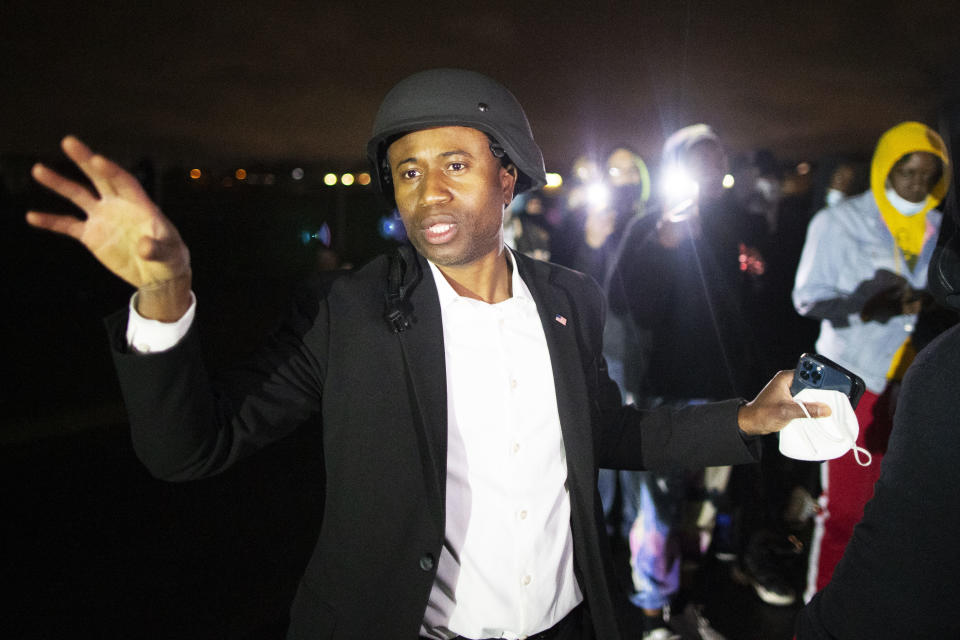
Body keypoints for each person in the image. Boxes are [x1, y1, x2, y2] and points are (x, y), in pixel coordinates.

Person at [27, 68, 824, 640]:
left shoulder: (571, 299)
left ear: (508, 178)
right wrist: (165, 294)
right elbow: (191, 449)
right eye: (408, 171)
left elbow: (608, 433)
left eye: (455, 165)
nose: (428, 191)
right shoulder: (349, 313)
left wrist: (746, 419)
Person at [605, 124, 774, 639]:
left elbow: (749, 307)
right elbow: (624, 304)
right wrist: (665, 242)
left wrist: (758, 268)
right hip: (665, 389)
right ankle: (654, 613)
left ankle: (687, 599)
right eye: (699, 159)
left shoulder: (735, 224)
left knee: (704, 505)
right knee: (657, 509)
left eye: (718, 157)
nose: (712, 166)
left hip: (725, 388)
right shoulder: (648, 225)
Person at [795, 126, 960, 639]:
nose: (915, 184)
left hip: (909, 389)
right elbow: (807, 298)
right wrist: (867, 304)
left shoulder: (939, 226)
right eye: (905, 172)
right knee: (842, 510)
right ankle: (818, 614)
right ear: (884, 167)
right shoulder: (839, 221)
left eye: (928, 175)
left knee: (891, 513)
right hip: (853, 384)